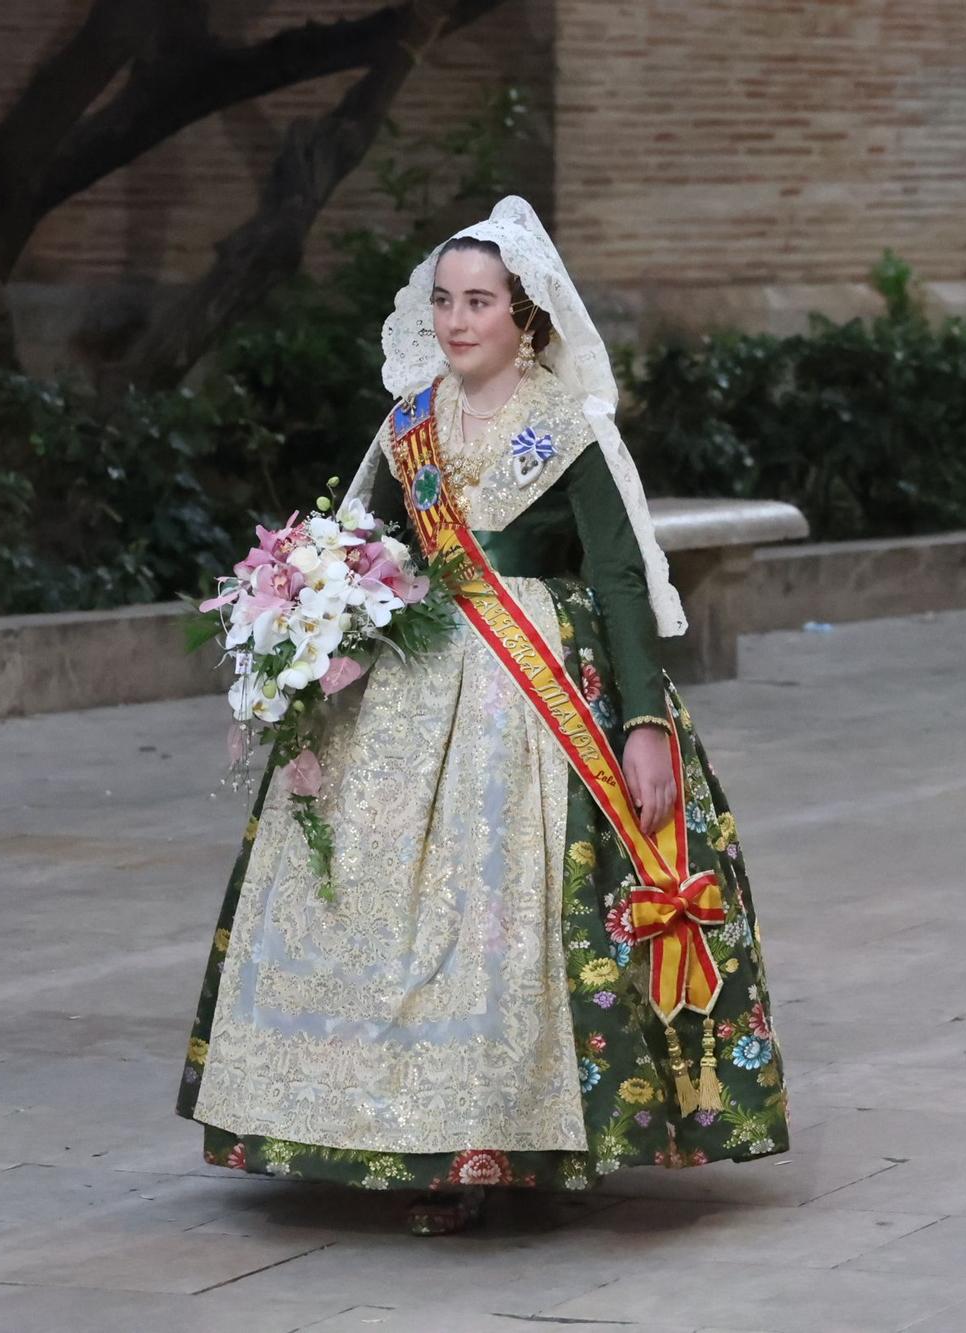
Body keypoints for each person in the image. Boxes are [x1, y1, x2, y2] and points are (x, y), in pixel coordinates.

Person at [177, 197, 787, 1235]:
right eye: (444, 302)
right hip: (409, 682)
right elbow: (362, 544)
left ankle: (493, 1137)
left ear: (525, 318)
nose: (457, 321)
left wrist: (641, 720)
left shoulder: (567, 433)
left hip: (534, 689)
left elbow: (621, 580)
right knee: (373, 894)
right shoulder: (406, 423)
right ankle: (380, 1123)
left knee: (494, 909)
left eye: (478, 303)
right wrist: (306, 614)